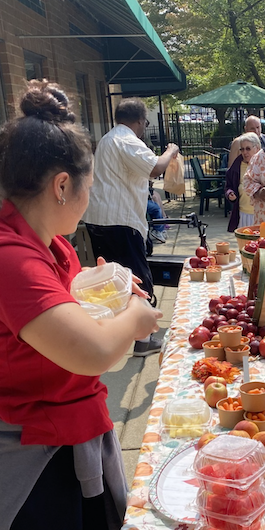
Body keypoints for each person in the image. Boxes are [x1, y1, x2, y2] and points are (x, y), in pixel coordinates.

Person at [0, 81, 163, 530]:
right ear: (63, 185)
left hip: (57, 444)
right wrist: (137, 316)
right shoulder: (4, 259)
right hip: (21, 470)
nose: (89, 200)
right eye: (89, 187)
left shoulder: (47, 246)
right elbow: (94, 353)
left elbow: (73, 291)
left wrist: (107, 281)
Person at [82, 97, 179, 356]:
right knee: (137, 279)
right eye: (145, 122)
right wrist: (170, 151)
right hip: (121, 222)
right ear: (139, 120)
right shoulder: (126, 140)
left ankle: (123, 334)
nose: (145, 127)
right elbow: (155, 168)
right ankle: (144, 340)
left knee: (116, 282)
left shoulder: (107, 139)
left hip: (101, 220)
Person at [224, 132, 260, 232]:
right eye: (242, 149)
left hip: (261, 214)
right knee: (245, 245)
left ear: (257, 148)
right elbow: (228, 186)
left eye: (248, 148)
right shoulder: (236, 166)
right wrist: (230, 193)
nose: (245, 152)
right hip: (243, 213)